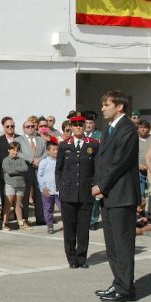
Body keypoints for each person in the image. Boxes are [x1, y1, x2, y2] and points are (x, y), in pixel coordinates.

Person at [93, 91, 140, 302]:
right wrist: (97, 185)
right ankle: (118, 282)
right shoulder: (109, 129)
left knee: (122, 245)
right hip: (108, 194)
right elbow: (101, 161)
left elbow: (119, 162)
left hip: (121, 195)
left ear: (119, 107)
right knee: (111, 245)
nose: (103, 108)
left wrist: (101, 185)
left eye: (106, 104)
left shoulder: (128, 129)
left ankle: (126, 289)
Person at [56, 112, 98, 269]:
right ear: (71, 127)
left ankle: (82, 258)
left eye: (81, 125)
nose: (79, 127)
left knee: (83, 228)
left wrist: (96, 185)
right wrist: (59, 187)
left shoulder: (93, 144)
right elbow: (58, 169)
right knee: (69, 228)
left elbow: (97, 168)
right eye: (75, 125)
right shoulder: (64, 145)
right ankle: (71, 258)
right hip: (68, 192)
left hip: (86, 192)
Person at [19, 116, 46, 226]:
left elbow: (46, 152)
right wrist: (31, 160)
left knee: (40, 195)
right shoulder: (18, 140)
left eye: (32, 126)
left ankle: (40, 218)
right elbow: (18, 153)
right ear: (24, 129)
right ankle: (25, 218)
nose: (30, 128)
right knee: (25, 195)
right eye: (28, 127)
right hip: (26, 169)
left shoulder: (40, 140)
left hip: (39, 169)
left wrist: (39, 160)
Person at [2, 142, 29, 230]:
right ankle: (5, 223)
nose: (15, 152)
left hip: (21, 184)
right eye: (13, 150)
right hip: (10, 184)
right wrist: (19, 170)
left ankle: (20, 223)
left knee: (18, 204)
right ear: (9, 150)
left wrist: (14, 170)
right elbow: (9, 171)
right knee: (8, 204)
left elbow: (25, 168)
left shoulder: (21, 160)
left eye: (17, 150)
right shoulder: (6, 160)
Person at [37, 142, 60, 234]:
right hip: (47, 190)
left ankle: (67, 225)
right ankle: (50, 225)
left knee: (63, 208)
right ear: (48, 151)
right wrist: (43, 188)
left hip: (59, 190)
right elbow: (40, 176)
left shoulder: (61, 161)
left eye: (57, 149)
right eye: (53, 149)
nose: (56, 151)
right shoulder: (44, 162)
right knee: (48, 208)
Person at [136, 120, 151, 200]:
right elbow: (131, 155)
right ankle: (141, 211)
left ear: (149, 129)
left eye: (145, 127)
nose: (142, 129)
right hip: (139, 170)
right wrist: (138, 165)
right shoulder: (134, 139)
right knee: (140, 193)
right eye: (140, 127)